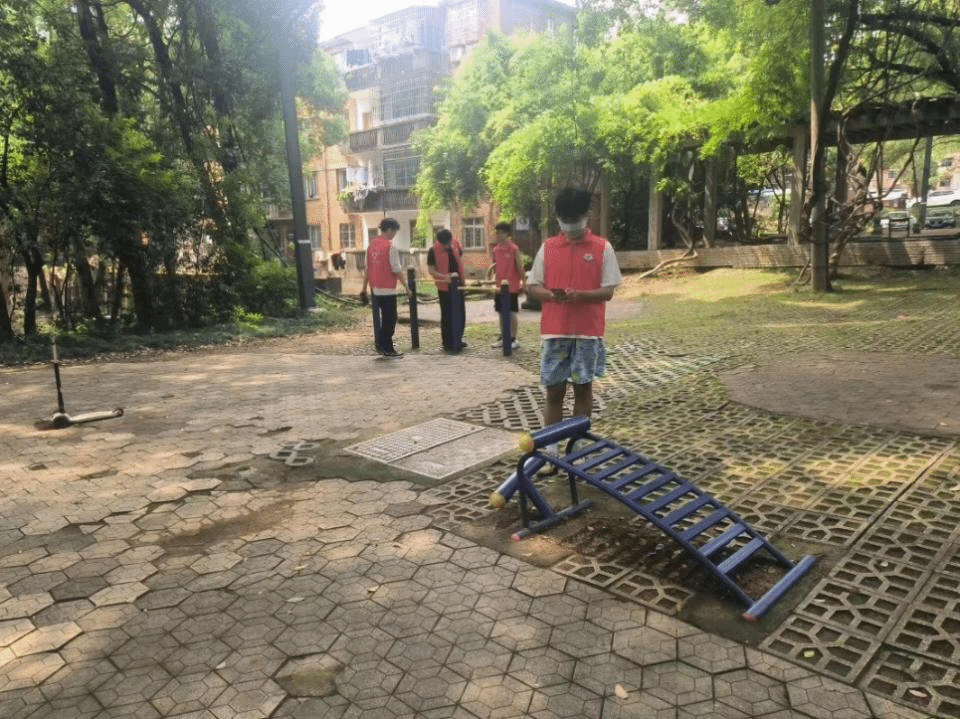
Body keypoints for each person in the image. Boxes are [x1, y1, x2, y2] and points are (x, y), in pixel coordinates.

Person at [525, 187, 622, 444]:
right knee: (554, 393)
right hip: (554, 333)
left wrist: (579, 295)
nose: (569, 224)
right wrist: (552, 295)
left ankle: (576, 449)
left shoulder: (603, 247)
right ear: (558, 217)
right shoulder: (548, 248)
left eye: (574, 218)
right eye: (564, 219)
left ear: (586, 215)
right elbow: (532, 286)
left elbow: (608, 291)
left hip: (587, 334)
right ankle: (552, 451)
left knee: (583, 391)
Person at [361, 217, 410, 358]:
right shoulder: (390, 246)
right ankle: (386, 346)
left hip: (375, 288)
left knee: (385, 318)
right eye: (394, 231)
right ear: (389, 230)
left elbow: (367, 268)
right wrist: (407, 288)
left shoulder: (371, 245)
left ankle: (381, 344)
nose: (394, 234)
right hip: (388, 288)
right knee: (390, 319)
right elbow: (396, 269)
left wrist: (364, 288)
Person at [427, 228, 467, 352]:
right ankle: (448, 342)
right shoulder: (433, 250)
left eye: (448, 243)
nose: (447, 246)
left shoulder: (455, 245)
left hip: (459, 285)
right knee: (447, 315)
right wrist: (444, 277)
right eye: (444, 244)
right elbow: (431, 270)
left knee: (460, 313)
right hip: (444, 287)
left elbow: (459, 260)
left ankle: (458, 338)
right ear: (439, 242)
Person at [491, 221, 525, 350]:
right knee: (500, 312)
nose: (498, 236)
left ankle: (513, 338)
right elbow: (495, 266)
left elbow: (520, 267)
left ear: (507, 234)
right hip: (499, 286)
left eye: (500, 233)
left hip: (512, 286)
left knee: (511, 312)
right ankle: (503, 336)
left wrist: (523, 282)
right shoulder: (495, 249)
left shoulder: (514, 249)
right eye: (496, 233)